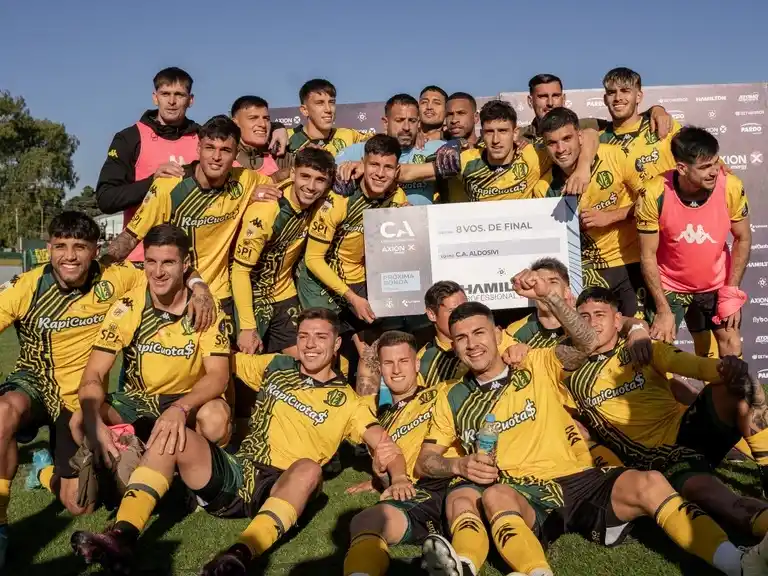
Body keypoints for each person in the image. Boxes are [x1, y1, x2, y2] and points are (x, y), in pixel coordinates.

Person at [415, 273, 768, 576]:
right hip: (525, 489)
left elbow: (585, 341)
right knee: (495, 496)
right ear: (453, 343)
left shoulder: (536, 361)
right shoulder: (451, 396)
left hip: (580, 477)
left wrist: (549, 296)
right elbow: (426, 459)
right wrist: (457, 464)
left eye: (479, 333)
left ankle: (737, 564)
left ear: (496, 333)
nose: (472, 344)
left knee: (650, 482)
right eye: (461, 338)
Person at [71, 308, 415, 576]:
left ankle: (237, 557)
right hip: (240, 471)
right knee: (171, 432)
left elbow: (383, 443)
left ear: (337, 343)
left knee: (310, 469)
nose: (310, 345)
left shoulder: (349, 401)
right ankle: (122, 536)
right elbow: (221, 360)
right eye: (304, 336)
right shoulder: (276, 366)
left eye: (321, 337)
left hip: (283, 483)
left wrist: (397, 476)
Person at [0, 212, 213, 568]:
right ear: (49, 248)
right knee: (4, 410)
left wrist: (200, 287)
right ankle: (2, 524)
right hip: (35, 383)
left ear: (95, 250)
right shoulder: (28, 285)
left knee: (80, 505)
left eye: (80, 247)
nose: (70, 256)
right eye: (61, 247)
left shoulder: (117, 277)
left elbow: (170, 268)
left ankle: (42, 471)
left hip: (79, 401)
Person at [561, 286, 768, 539]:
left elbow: (696, 366)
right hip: (659, 457)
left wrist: (725, 368)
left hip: (690, 428)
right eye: (584, 317)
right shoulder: (568, 373)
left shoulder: (644, 348)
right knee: (728, 505)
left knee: (740, 381)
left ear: (617, 320)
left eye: (599, 315)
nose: (591, 323)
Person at [102, 115, 279, 335]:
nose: (216, 157)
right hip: (175, 294)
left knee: (220, 367)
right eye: (209, 148)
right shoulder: (170, 186)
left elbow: (282, 179)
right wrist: (98, 269)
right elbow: (130, 237)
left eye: (225, 150)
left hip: (218, 293)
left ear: (235, 155)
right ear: (198, 149)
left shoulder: (246, 179)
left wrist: (262, 190)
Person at [74, 224, 232, 466]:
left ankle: (197, 479)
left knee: (215, 418)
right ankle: (120, 464)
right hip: (139, 401)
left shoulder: (205, 306)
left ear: (185, 263)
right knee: (80, 419)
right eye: (151, 262)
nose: (157, 272)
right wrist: (93, 419)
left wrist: (180, 408)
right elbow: (94, 371)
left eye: (168, 262)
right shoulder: (128, 305)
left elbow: (219, 376)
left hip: (187, 399)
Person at [95, 68, 287, 262]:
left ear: (190, 100)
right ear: (155, 97)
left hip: (196, 261)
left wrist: (278, 128)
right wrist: (152, 182)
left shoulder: (203, 135)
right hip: (142, 258)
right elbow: (106, 199)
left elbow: (238, 147)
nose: (171, 101)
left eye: (179, 95)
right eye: (165, 94)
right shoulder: (130, 138)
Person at [297, 135, 408, 395]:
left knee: (370, 355)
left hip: (358, 281)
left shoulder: (397, 197)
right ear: (362, 163)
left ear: (397, 170)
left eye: (388, 167)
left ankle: (364, 423)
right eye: (374, 165)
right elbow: (313, 259)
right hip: (319, 283)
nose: (380, 174)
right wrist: (350, 297)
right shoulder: (340, 196)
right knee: (326, 357)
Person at [344, 330, 459, 576]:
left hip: (453, 482)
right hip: (414, 492)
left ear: (417, 363)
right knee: (365, 521)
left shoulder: (442, 393)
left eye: (403, 361)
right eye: (388, 363)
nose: (396, 370)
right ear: (381, 369)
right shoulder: (377, 418)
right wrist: (380, 478)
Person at [637, 127, 750, 358]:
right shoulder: (654, 192)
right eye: (705, 167)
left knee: (732, 345)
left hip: (716, 284)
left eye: (716, 163)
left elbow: (743, 237)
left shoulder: (731, 186)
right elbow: (647, 255)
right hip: (670, 285)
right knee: (659, 352)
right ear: (682, 168)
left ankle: (731, 395)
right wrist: (662, 308)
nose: (714, 172)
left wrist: (731, 291)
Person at [532, 107, 647, 317]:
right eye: (552, 143)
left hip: (629, 262)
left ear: (579, 136)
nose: (560, 149)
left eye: (567, 139)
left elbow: (653, 200)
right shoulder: (543, 188)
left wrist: (611, 217)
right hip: (584, 274)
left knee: (639, 337)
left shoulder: (614, 155)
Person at [232, 147, 336, 357]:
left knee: (308, 358)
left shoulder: (321, 203)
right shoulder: (266, 210)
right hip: (251, 298)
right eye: (305, 176)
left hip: (284, 294)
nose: (310, 186)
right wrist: (247, 326)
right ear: (292, 174)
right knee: (246, 364)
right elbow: (239, 271)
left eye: (319, 180)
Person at [395, 100, 597, 201]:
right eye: (490, 132)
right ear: (482, 132)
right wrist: (364, 167)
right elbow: (409, 172)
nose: (496, 139)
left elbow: (589, 134)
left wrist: (583, 168)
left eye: (503, 131)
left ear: (515, 133)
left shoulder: (534, 155)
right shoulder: (467, 160)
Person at [336, 94, 444, 206]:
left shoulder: (435, 149)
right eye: (399, 120)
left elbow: (459, 162)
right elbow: (326, 175)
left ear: (418, 123)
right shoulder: (357, 151)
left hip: (422, 222)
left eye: (412, 121)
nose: (406, 127)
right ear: (385, 122)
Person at [522, 73, 672, 146]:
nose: (550, 103)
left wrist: (656, 110)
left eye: (555, 96)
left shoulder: (587, 125)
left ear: (564, 99)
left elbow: (624, 120)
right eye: (542, 96)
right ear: (530, 101)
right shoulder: (518, 137)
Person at [418, 281, 513, 388]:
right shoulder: (422, 361)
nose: (462, 314)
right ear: (431, 314)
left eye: (465, 307)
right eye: (453, 311)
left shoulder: (496, 337)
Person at [599, 67, 681, 182]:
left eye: (625, 91)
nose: (618, 98)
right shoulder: (598, 140)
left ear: (638, 97)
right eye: (611, 93)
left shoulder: (664, 125)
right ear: (605, 99)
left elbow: (702, 163)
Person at [287, 79, 371, 156]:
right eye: (320, 103)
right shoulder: (286, 138)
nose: (328, 109)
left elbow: (380, 143)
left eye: (331, 102)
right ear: (304, 110)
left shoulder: (350, 136)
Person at [230, 95, 281, 176]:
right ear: (235, 123)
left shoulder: (281, 155)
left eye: (266, 118)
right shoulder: (223, 156)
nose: (263, 124)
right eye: (253, 118)